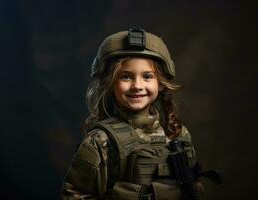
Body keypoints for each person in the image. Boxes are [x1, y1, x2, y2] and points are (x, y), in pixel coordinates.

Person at [60, 28, 204, 200]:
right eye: (126, 77)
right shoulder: (101, 140)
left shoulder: (177, 133)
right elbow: (73, 195)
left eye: (147, 76)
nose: (137, 85)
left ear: (161, 84)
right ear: (110, 84)